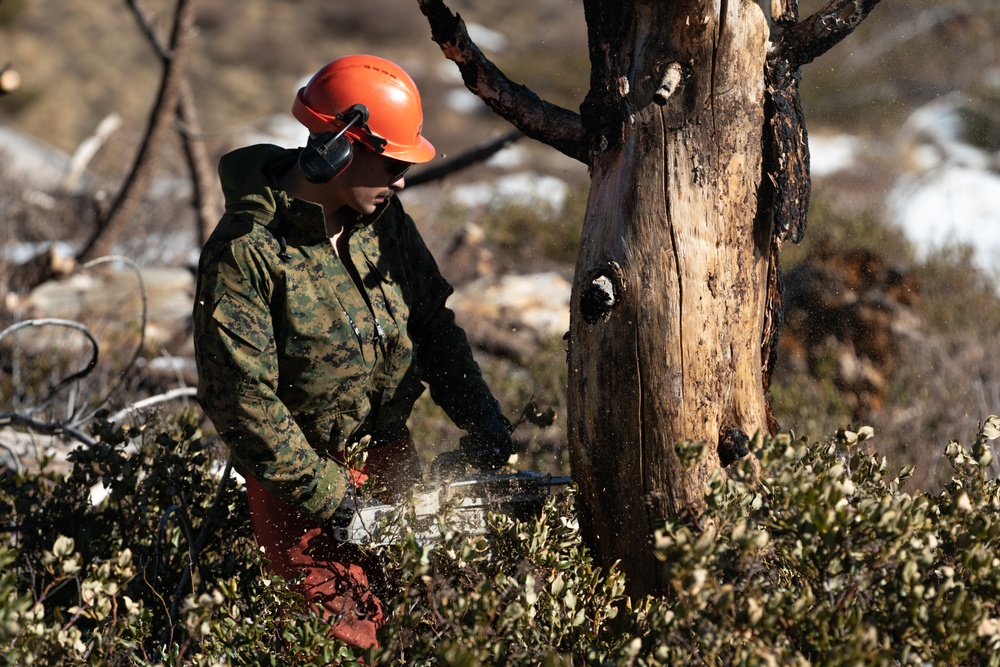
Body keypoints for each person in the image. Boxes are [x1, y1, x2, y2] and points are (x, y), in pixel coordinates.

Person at [192, 54, 514, 650]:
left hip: (388, 458)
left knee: (423, 621)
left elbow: (433, 328)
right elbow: (242, 401)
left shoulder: (385, 224)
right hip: (297, 485)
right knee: (346, 640)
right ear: (336, 147)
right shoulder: (248, 252)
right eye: (390, 161)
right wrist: (334, 499)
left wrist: (484, 422)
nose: (399, 179)